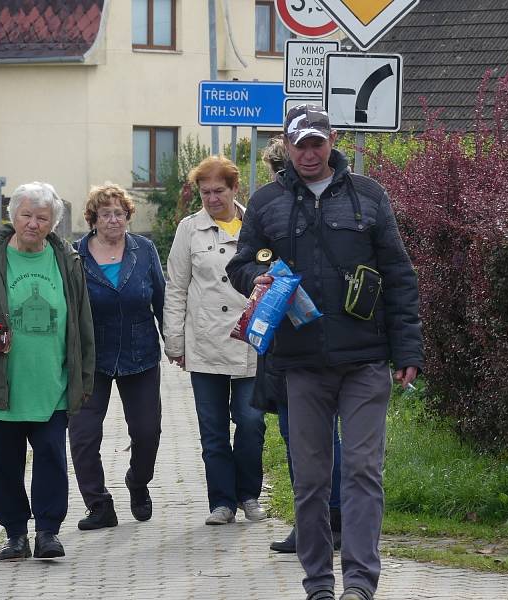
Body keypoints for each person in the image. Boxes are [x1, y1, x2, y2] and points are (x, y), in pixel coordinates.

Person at [227, 104, 423, 600]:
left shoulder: (368, 196)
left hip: (365, 360)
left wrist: (408, 351)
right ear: (287, 147)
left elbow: (399, 275)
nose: (310, 152)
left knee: (362, 472)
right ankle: (317, 583)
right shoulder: (268, 201)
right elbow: (241, 264)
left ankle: (359, 583)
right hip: (300, 364)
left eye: (318, 142)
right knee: (311, 481)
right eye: (301, 144)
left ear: (332, 141)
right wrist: (257, 278)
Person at [0, 182, 95, 562]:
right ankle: (15, 534)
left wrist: (84, 377)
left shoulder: (68, 261)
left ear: (53, 223)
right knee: (3, 465)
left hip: (52, 384)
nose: (33, 223)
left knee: (50, 458)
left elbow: (82, 323)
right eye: (26, 215)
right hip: (0, 386)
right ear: (13, 217)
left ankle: (47, 533)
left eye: (42, 217)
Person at [163, 155, 266, 526]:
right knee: (213, 430)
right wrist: (174, 340)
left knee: (252, 422)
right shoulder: (188, 230)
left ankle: (249, 494)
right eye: (205, 192)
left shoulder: (255, 225)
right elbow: (175, 287)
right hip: (205, 343)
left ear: (234, 188)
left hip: (248, 343)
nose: (211, 199)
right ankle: (221, 502)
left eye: (218, 191)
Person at [260, 135, 343, 554]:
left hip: (298, 343)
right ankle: (332, 519)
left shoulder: (286, 213)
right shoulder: (277, 212)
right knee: (322, 437)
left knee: (304, 439)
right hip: (300, 341)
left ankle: (318, 523)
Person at [68, 183, 166, 530]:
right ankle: (98, 506)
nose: (113, 219)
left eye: (120, 213)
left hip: (140, 354)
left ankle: (138, 483)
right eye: (106, 213)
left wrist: (175, 342)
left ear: (128, 217)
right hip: (91, 358)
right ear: (93, 218)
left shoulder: (144, 249)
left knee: (147, 431)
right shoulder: (74, 255)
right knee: (82, 435)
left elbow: (162, 299)